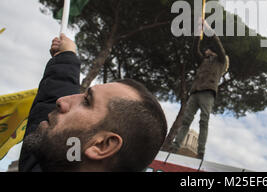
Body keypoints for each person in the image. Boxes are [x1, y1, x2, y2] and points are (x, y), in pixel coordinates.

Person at [19, 34, 167, 172]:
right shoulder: (52, 156)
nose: (61, 101)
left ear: (102, 145)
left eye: (86, 101)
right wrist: (65, 57)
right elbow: (50, 103)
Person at [169, 22, 229, 160]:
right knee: (186, 121)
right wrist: (198, 33)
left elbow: (219, 46)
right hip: (195, 92)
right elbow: (194, 50)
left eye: (208, 50)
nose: (206, 51)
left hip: (208, 92)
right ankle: (175, 147)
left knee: (204, 121)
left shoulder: (220, 61)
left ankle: (200, 152)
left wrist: (207, 28)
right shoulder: (203, 61)